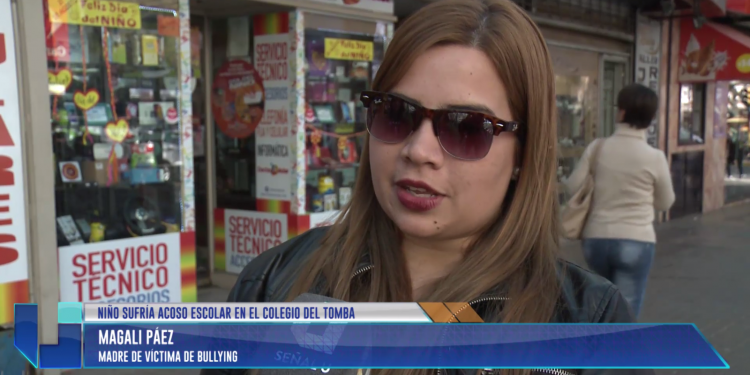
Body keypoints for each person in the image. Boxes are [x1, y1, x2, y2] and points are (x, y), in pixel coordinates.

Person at [206, 1, 650, 375]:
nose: (419, 150)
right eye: (396, 113)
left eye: (466, 128)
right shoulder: (271, 281)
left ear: (523, 154)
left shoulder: (589, 325)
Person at [564, 84, 675, 320]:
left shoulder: (598, 148)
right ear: (650, 118)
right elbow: (666, 202)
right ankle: (616, 353)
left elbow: (572, 185)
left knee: (597, 306)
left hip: (596, 240)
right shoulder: (655, 158)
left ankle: (591, 350)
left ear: (621, 113)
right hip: (636, 241)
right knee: (625, 310)